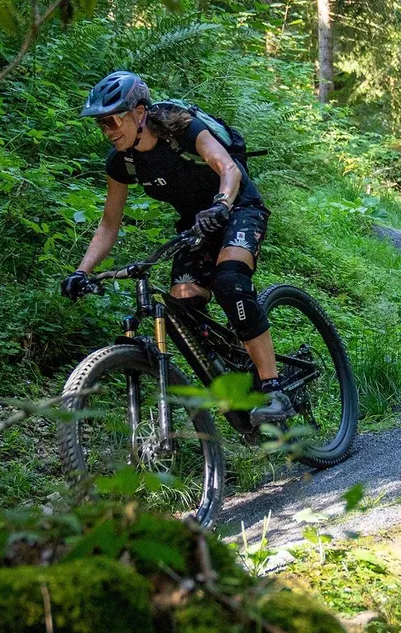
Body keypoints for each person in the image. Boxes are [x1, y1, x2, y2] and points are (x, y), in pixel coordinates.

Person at [61, 70, 293, 425]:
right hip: (196, 224)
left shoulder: (180, 129)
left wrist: (221, 205)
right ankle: (235, 374)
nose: (107, 130)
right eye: (101, 124)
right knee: (183, 305)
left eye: (111, 120)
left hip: (238, 206)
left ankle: (274, 387)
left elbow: (227, 168)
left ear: (139, 113)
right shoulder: (121, 162)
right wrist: (82, 271)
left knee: (230, 281)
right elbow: (109, 224)